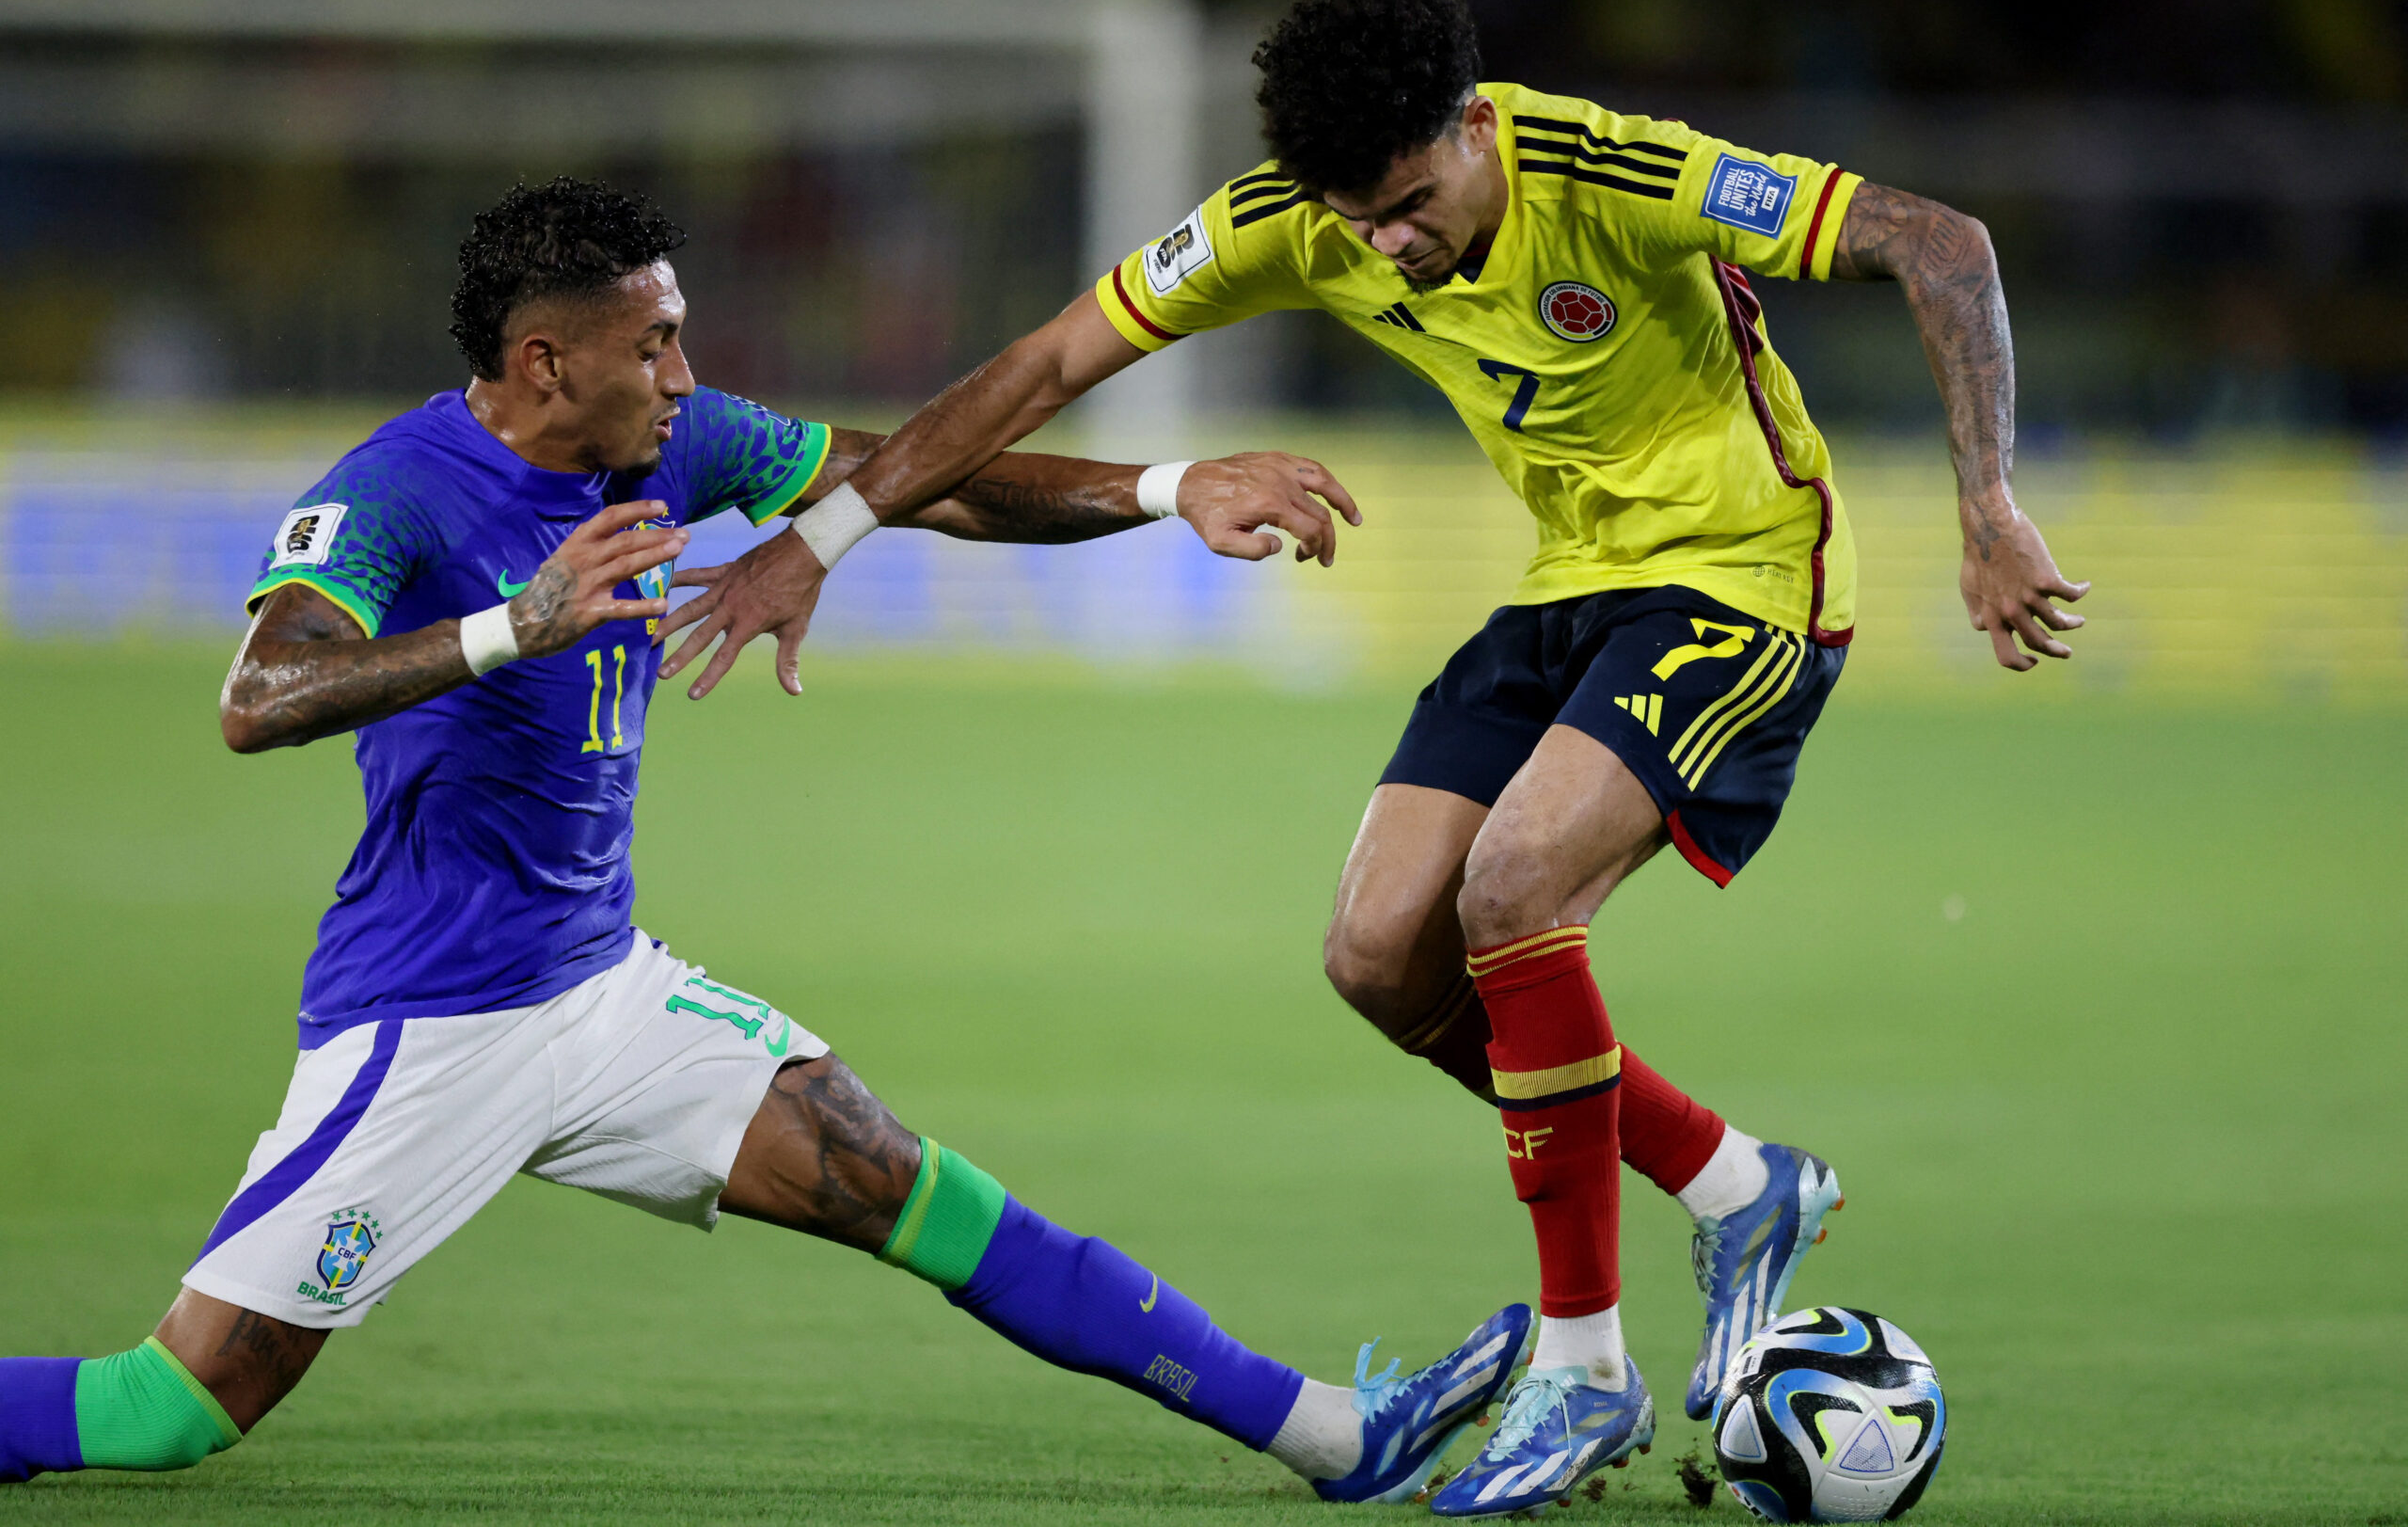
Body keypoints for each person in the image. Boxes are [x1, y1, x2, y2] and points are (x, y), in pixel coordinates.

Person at [653, 0, 2090, 1517]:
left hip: (1747, 579)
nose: (1384, 244)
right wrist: (834, 534)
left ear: (1477, 128)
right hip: (1572, 589)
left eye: (1408, 203)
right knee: (1376, 951)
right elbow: (1049, 364)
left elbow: (1940, 242)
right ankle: (1741, 1186)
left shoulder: (1619, 173)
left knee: (1514, 885)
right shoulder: (1294, 214)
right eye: (1355, 218)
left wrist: (1988, 505)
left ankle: (1583, 1368)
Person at [0, 178, 1525, 1504]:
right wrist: (504, 630)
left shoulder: (679, 443)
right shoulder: (398, 490)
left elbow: (919, 481)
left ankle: (1338, 1437)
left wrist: (1169, 486)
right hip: (431, 1025)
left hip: (603, 994)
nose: (684, 372)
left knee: (883, 1168)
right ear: (545, 360)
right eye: (652, 343)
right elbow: (256, 698)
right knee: (171, 1412)